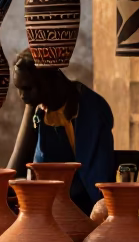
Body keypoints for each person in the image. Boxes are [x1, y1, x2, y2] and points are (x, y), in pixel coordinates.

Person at [7, 49, 116, 214]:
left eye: (28, 88)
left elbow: (98, 183)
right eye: (19, 88)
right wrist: (30, 107)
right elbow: (14, 174)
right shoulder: (41, 112)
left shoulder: (90, 109)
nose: (22, 95)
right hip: (51, 203)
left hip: (86, 208)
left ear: (48, 81)